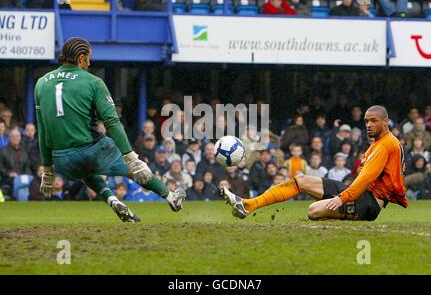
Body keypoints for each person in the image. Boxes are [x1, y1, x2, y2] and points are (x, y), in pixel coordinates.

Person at [34, 37, 185, 222]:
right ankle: (171, 197)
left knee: (85, 171)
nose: (90, 63)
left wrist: (48, 170)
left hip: (62, 161)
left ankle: (113, 200)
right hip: (92, 151)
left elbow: (42, 130)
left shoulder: (41, 83)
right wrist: (131, 158)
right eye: (89, 58)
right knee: (133, 170)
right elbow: (112, 122)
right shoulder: (93, 82)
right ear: (81, 58)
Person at [222, 105, 408, 221]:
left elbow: (366, 178)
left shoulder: (387, 145)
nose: (368, 125)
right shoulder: (380, 143)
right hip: (358, 193)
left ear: (386, 122)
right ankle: (248, 205)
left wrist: (341, 198)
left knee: (313, 211)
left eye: (374, 121)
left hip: (369, 204)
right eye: (367, 121)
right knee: (301, 180)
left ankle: (346, 214)